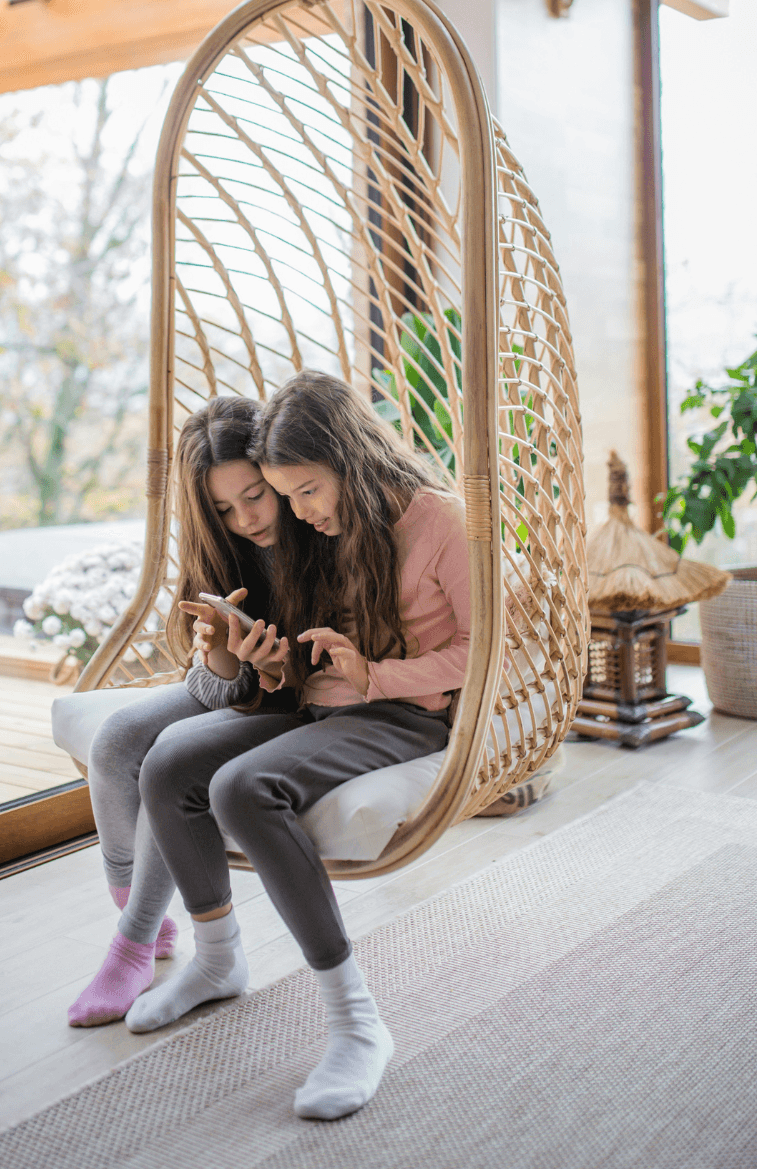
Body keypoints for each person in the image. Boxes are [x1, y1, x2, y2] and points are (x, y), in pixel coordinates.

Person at [125, 370, 470, 1122]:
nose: (293, 512)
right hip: (322, 704)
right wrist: (275, 667)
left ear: (348, 460)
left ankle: (356, 1022)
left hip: (401, 713)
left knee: (241, 789)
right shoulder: (331, 529)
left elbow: (484, 653)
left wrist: (376, 673)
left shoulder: (437, 522)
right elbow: (317, 657)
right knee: (168, 763)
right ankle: (217, 961)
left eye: (303, 491)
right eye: (287, 496)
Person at [67, 395, 284, 1027]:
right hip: (241, 687)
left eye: (254, 495)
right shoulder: (222, 550)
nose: (244, 519)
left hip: (296, 698)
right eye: (222, 508)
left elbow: (296, 687)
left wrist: (264, 668)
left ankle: (130, 946)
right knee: (115, 742)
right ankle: (144, 915)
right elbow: (215, 688)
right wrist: (219, 655)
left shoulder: (312, 522)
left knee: (172, 760)